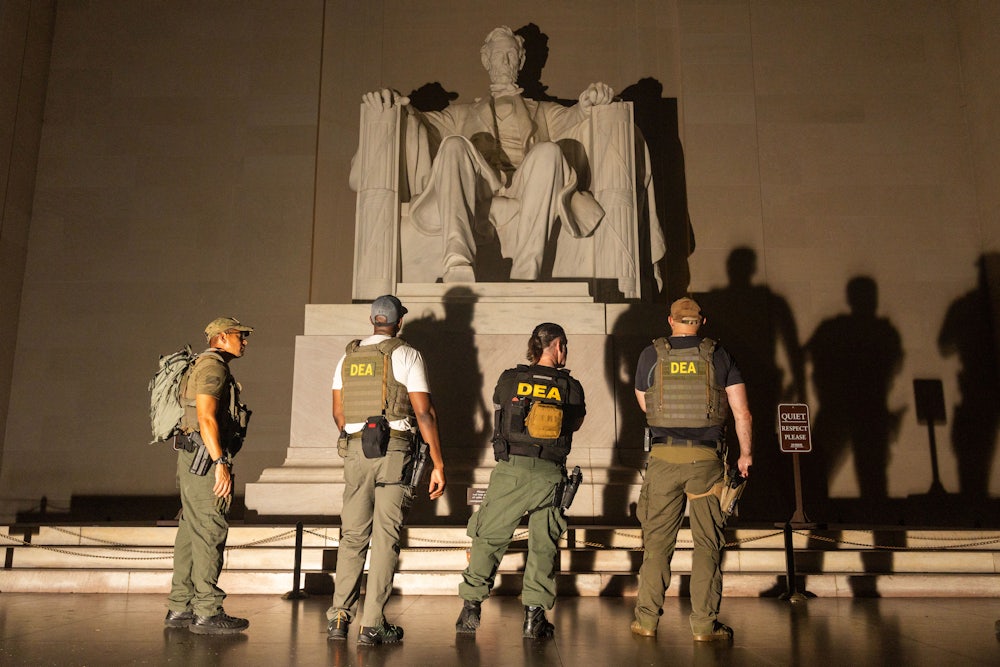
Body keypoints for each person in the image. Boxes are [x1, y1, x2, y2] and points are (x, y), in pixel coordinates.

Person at [360, 25, 615, 282]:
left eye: (511, 55)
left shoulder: (543, 111)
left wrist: (588, 103)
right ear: (486, 60)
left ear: (521, 60)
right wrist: (393, 103)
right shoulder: (461, 114)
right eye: (497, 55)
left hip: (526, 186)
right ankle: (457, 258)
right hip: (479, 185)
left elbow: (574, 117)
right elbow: (420, 121)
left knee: (549, 151)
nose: (504, 62)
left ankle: (526, 273)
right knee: (454, 145)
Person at [326, 295, 446, 645]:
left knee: (352, 536)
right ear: (399, 322)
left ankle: (338, 618)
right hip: (393, 450)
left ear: (371, 319)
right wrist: (438, 463)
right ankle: (372, 623)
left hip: (355, 450)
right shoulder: (406, 354)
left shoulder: (348, 357)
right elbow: (424, 413)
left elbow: (338, 412)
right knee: (385, 538)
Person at [630, 298, 752, 642]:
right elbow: (742, 412)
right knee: (708, 545)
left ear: (671, 321)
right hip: (706, 462)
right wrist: (746, 454)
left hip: (664, 459)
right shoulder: (719, 354)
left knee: (656, 545)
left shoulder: (651, 354)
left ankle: (647, 621)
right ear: (702, 322)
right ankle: (703, 626)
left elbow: (645, 404)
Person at [455, 323, 586, 639]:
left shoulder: (510, 379)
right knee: (543, 545)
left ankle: (470, 608)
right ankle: (534, 618)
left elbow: (498, 404)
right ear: (556, 346)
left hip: (511, 471)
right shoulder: (570, 387)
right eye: (562, 345)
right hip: (550, 475)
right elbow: (576, 422)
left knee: (489, 538)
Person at [165, 316, 254, 635]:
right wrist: (219, 461)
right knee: (209, 528)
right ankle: (207, 610)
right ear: (221, 337)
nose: (244, 341)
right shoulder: (213, 366)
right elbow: (205, 416)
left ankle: (180, 606)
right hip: (205, 457)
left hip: (192, 456)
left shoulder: (203, 364)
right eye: (239, 336)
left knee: (190, 529)